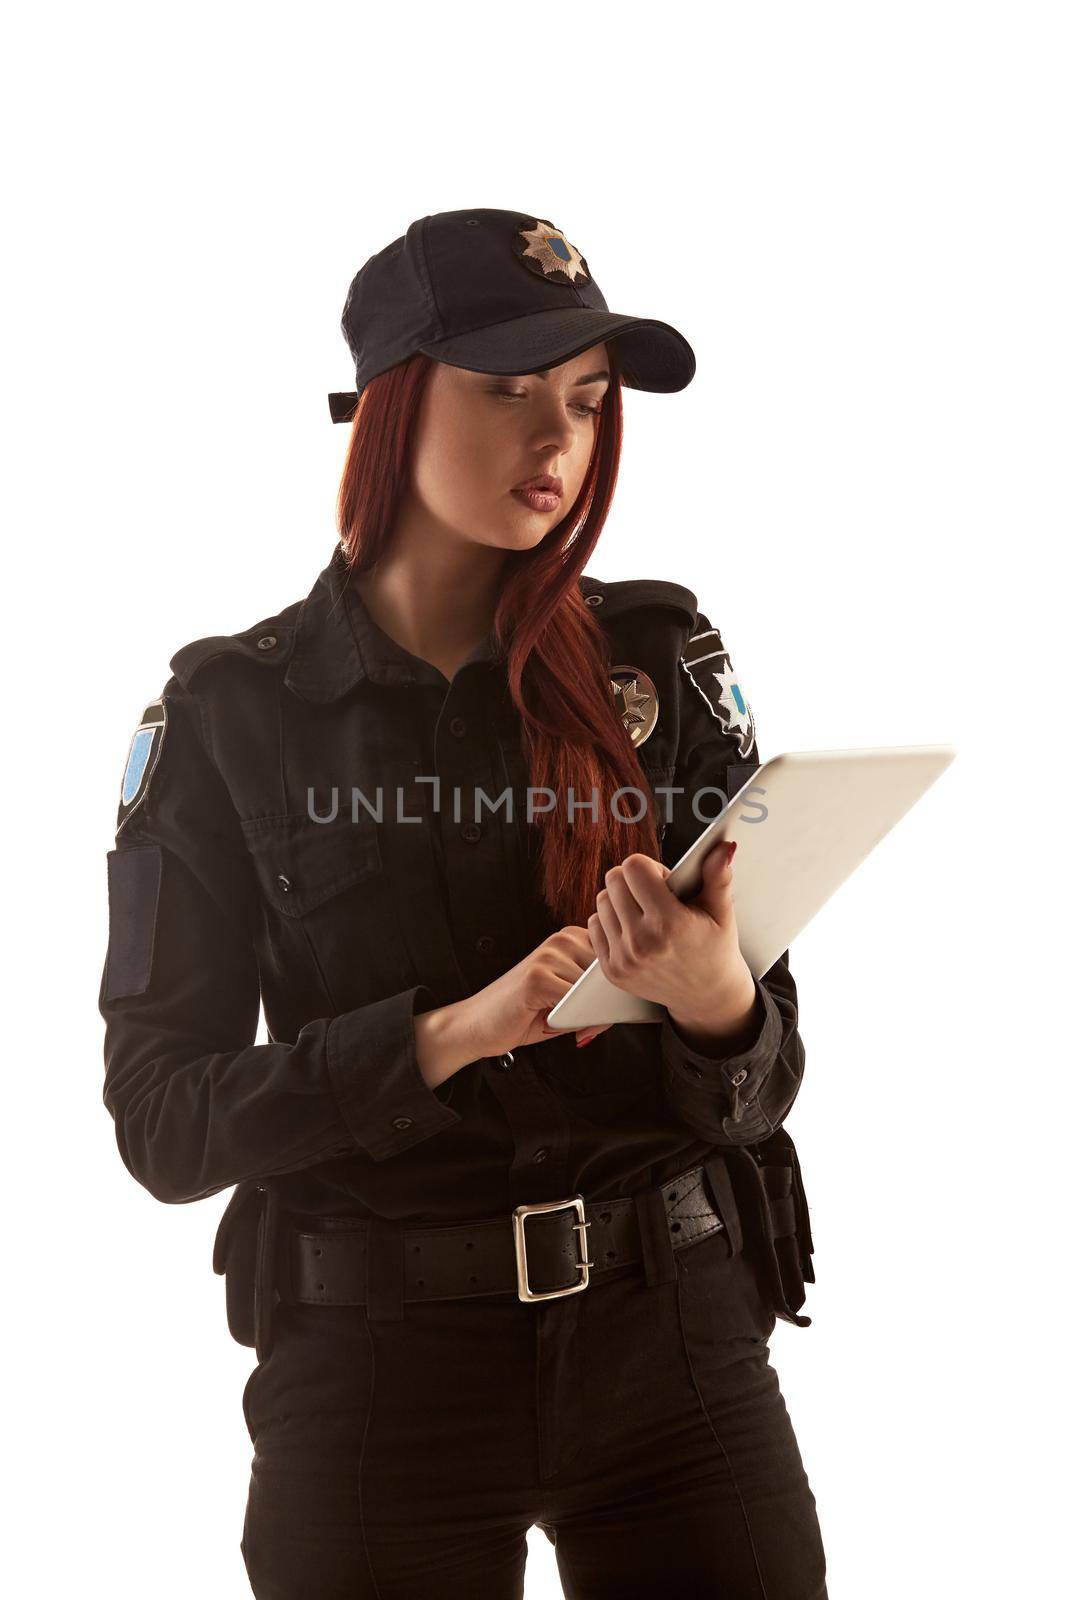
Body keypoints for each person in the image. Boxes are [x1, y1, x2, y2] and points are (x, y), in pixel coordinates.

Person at [99, 208, 827, 1600]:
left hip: (671, 1348)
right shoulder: (228, 716)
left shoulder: (655, 665)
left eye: (586, 400)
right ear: (389, 405)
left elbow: (765, 1073)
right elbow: (164, 1118)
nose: (556, 442)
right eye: (504, 392)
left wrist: (714, 996)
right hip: (377, 1377)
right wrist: (448, 1034)